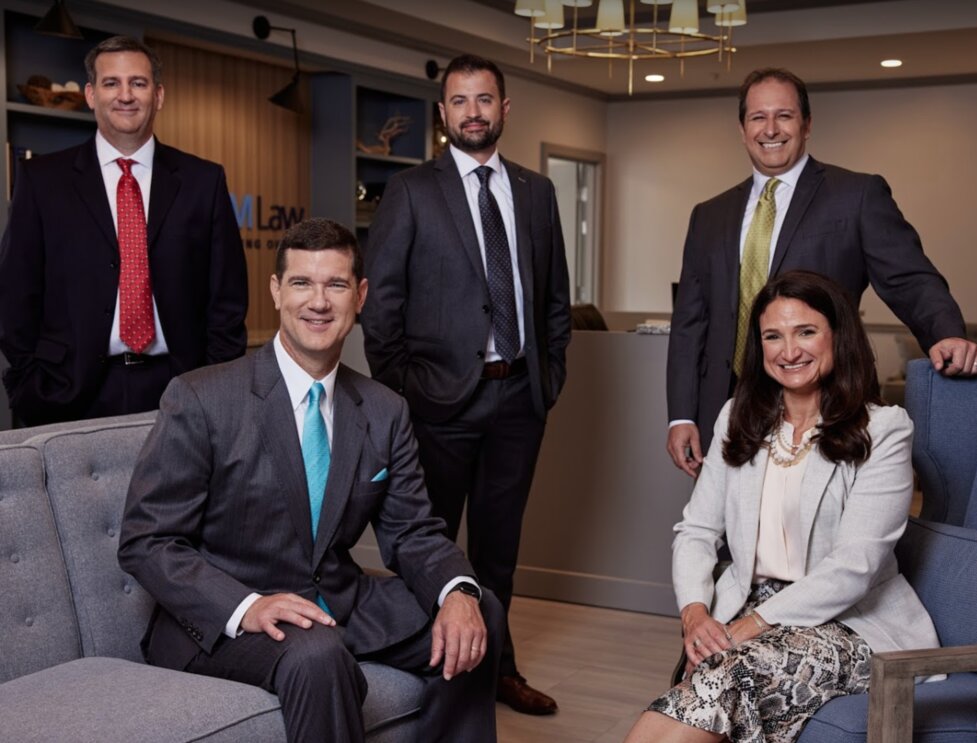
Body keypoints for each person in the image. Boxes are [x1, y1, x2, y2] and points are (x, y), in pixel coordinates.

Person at [119, 218, 502, 743]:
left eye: (336, 285)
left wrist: (456, 591)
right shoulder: (202, 398)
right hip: (231, 617)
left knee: (480, 610)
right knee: (318, 654)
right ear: (277, 291)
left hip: (338, 603)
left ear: (360, 296)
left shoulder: (384, 410)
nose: (318, 302)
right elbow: (147, 541)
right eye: (302, 283)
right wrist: (248, 606)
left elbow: (413, 532)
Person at [626, 270, 939, 743]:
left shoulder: (884, 430)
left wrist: (750, 626)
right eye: (773, 336)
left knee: (727, 674)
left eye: (805, 332)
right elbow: (696, 531)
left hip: (850, 622)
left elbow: (855, 565)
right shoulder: (737, 417)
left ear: (838, 335)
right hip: (749, 603)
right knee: (714, 677)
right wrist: (695, 612)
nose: (789, 351)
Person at [360, 54, 571, 715]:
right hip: (436, 404)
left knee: (499, 551)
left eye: (484, 100)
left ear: (504, 109)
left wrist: (548, 377)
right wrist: (404, 392)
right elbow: (381, 305)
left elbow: (555, 300)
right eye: (459, 101)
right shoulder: (411, 191)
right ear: (442, 113)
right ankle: (430, 675)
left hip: (519, 400)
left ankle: (498, 672)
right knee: (429, 547)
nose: (472, 112)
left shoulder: (537, 192)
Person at [666, 67, 977, 478]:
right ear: (743, 129)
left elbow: (909, 278)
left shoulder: (857, 195)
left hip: (829, 403)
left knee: (823, 516)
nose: (770, 129)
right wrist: (681, 415)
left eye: (784, 115)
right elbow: (689, 323)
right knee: (729, 519)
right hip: (727, 408)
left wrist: (945, 333)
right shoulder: (708, 216)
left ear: (807, 124)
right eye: (758, 117)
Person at [0, 35, 247, 427]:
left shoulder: (203, 181)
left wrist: (214, 388)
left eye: (138, 83)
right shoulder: (42, 180)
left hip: (180, 390)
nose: (125, 95)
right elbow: (15, 293)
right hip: (65, 394)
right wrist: (28, 383)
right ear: (91, 94)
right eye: (111, 83)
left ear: (158, 95)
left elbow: (227, 302)